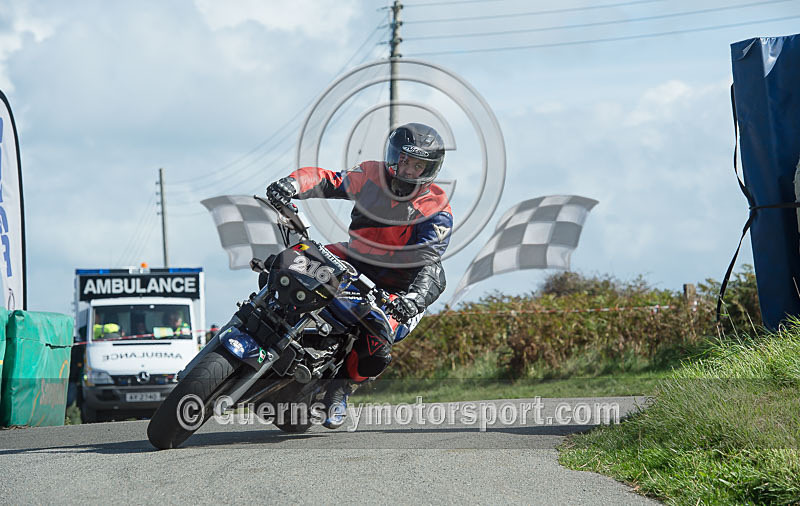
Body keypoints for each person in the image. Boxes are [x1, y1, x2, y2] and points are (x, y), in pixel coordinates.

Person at [266, 122, 452, 428]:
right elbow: (329, 180)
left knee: (379, 341)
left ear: (430, 169)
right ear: (393, 155)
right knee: (290, 260)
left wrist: (413, 300)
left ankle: (340, 388)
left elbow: (429, 261)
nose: (408, 170)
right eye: (404, 160)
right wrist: (292, 184)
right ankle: (267, 319)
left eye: (418, 165)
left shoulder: (437, 209)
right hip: (355, 258)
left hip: (399, 286)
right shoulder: (370, 174)